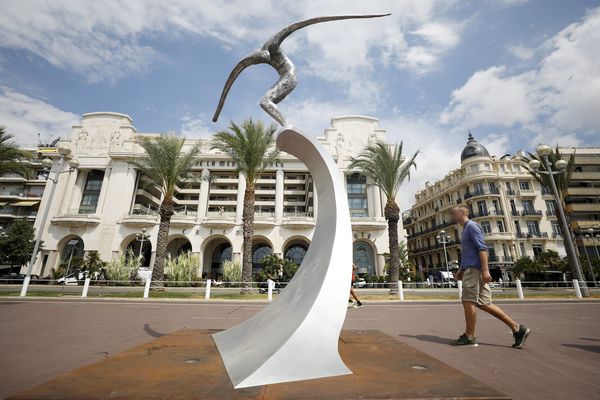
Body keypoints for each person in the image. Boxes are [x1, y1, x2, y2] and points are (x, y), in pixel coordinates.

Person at [449, 205, 530, 348]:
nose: (452, 217)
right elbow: (469, 253)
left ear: (462, 212)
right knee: (484, 303)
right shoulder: (465, 229)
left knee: (468, 301)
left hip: (475, 270)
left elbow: (482, 248)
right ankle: (517, 329)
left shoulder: (472, 227)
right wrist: (461, 270)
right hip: (471, 268)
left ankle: (469, 336)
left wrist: (485, 271)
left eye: (454, 214)